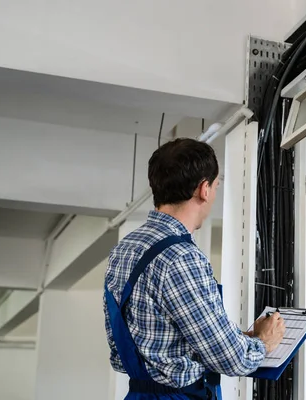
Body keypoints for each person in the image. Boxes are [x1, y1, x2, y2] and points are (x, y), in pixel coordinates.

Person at [104, 138, 286, 400]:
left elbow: (155, 338)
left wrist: (242, 337)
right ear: (204, 189)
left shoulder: (124, 250)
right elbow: (232, 361)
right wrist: (264, 343)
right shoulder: (182, 258)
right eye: (215, 185)